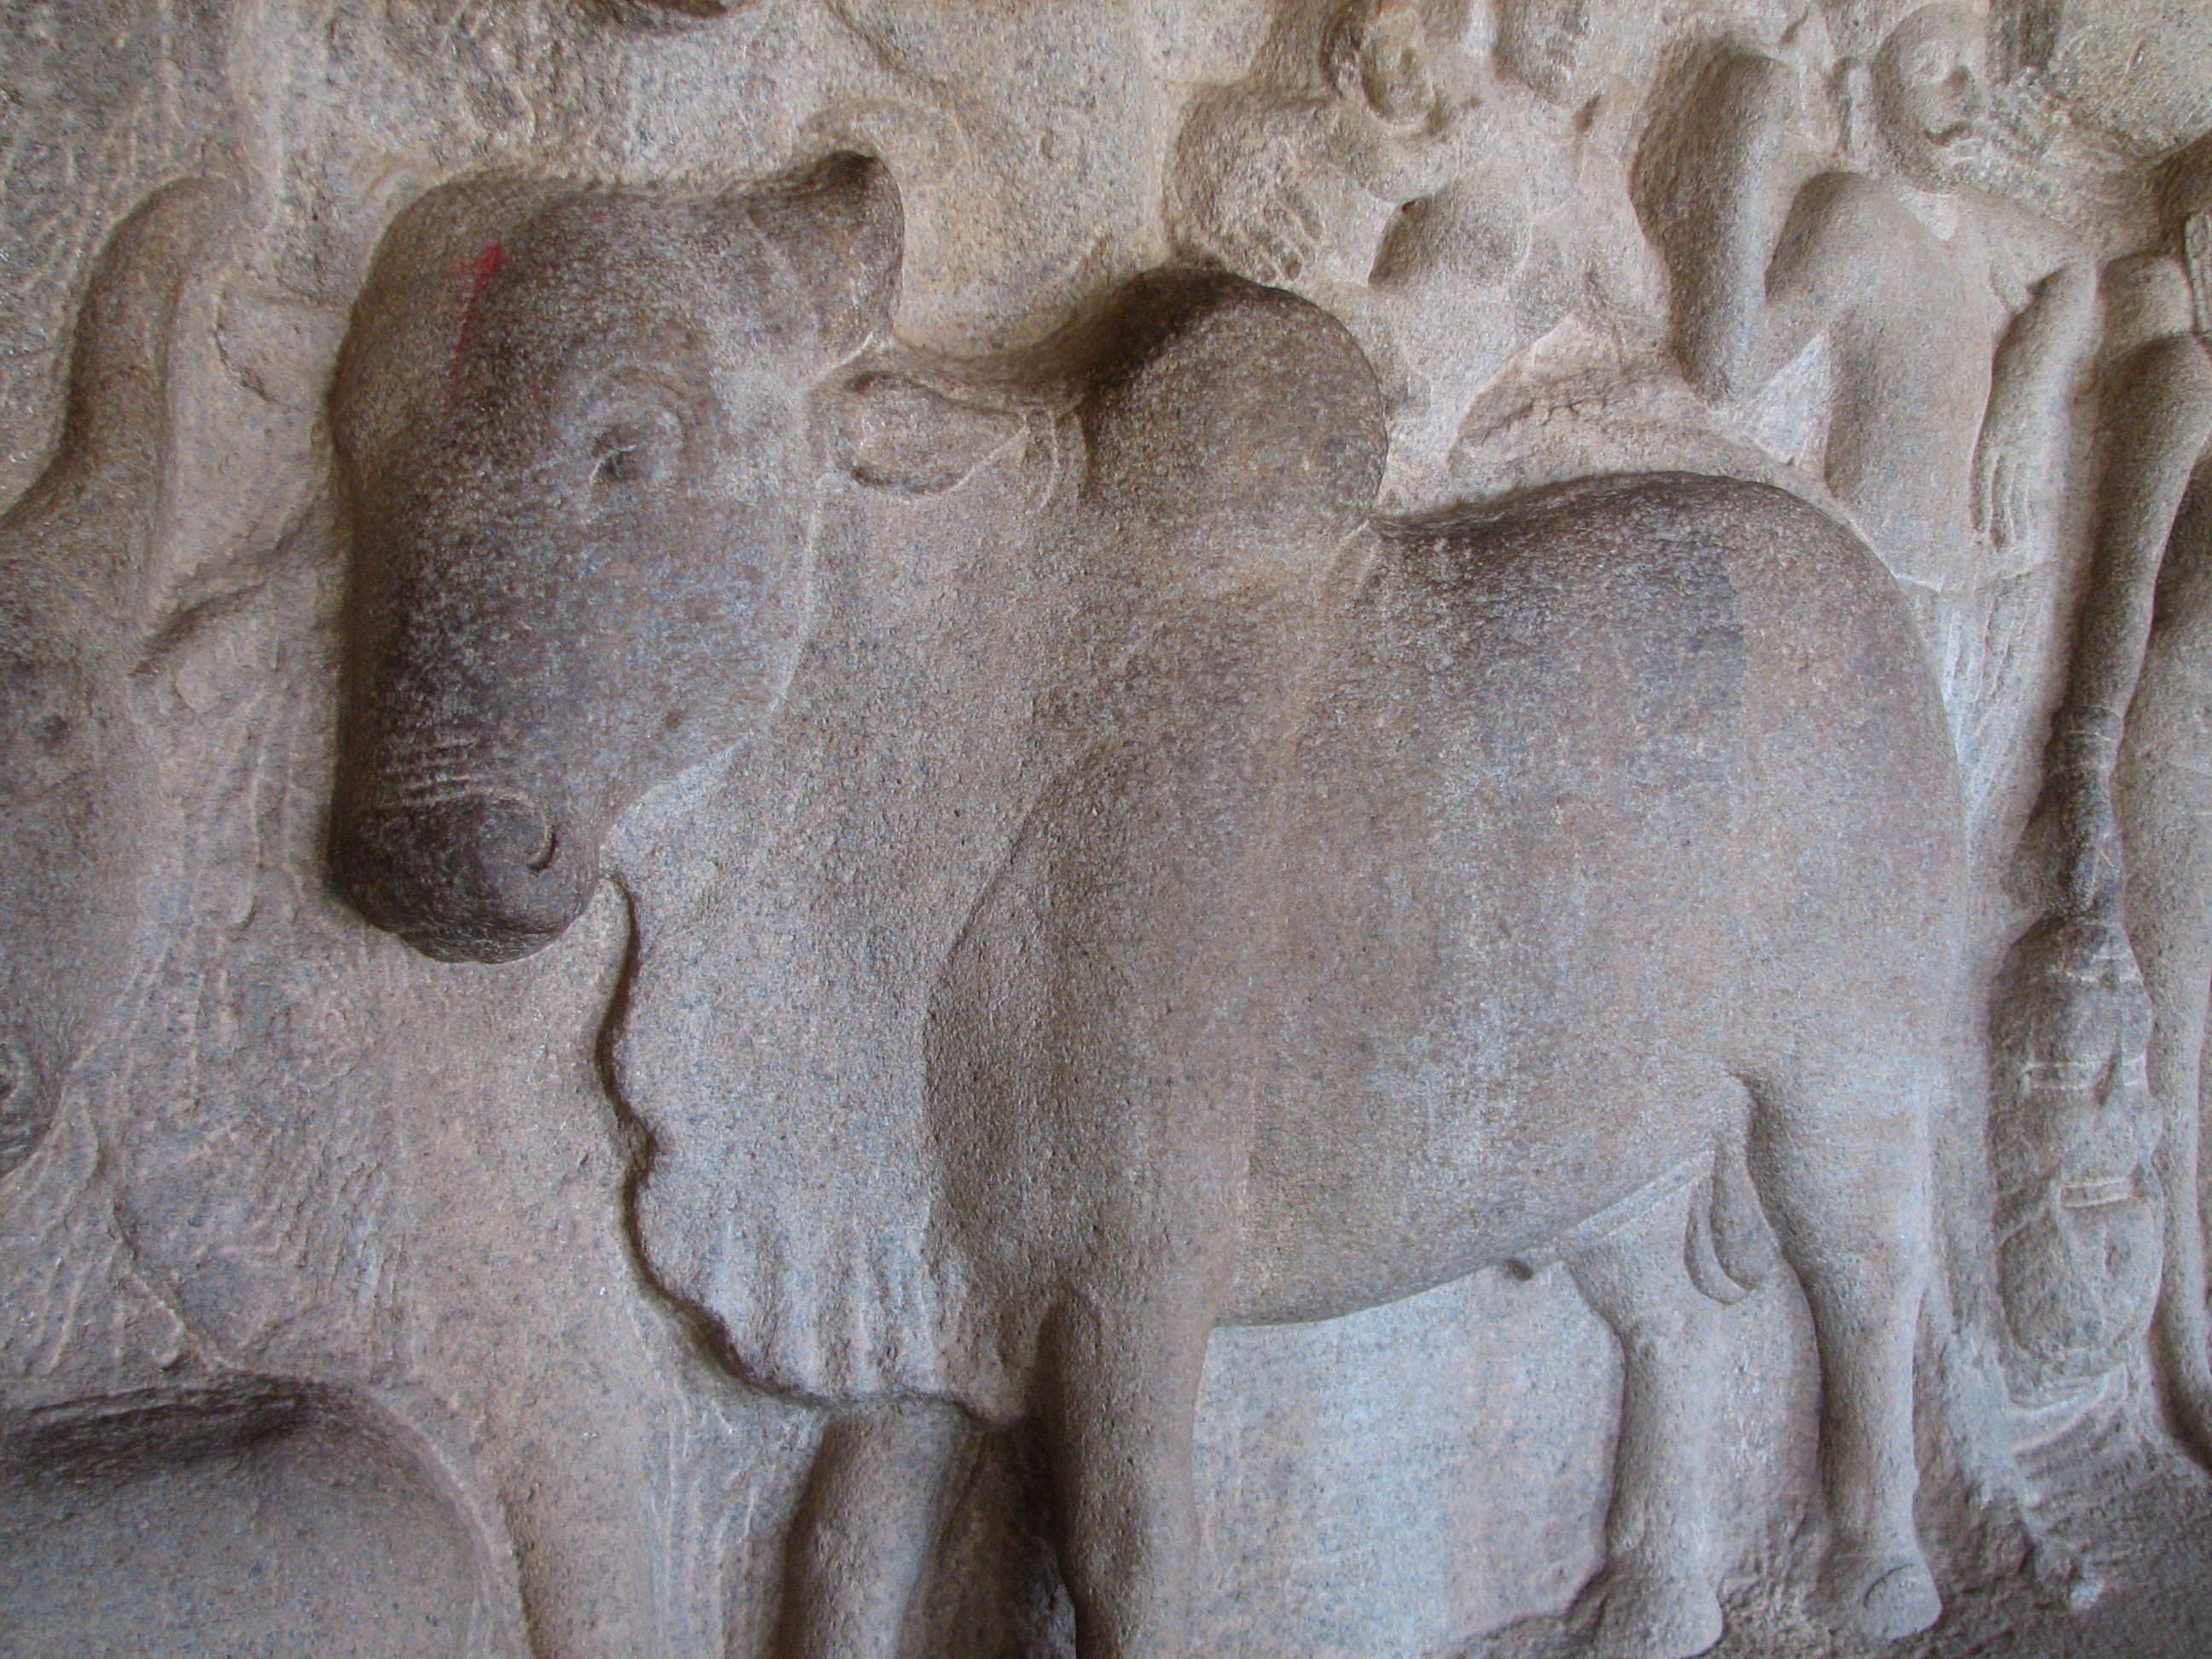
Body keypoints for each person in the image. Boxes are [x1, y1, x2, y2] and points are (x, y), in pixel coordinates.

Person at [1640, 1, 2095, 830]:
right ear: (1865, 85)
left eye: (1973, 72)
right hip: (1891, 589)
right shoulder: (1859, 219)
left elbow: (2074, 269)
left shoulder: (1987, 232)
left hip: (1994, 590)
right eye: (1931, 70)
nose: (1967, 95)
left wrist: (2024, 396)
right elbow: (1730, 368)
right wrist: (1737, 163)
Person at [2013, 136, 2212, 1454]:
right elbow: (2123, 589)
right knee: (2177, 1048)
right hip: (2186, 744)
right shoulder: (2184, 389)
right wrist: (2083, 758)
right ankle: (2185, 1333)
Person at [1167, 0, 1656, 503]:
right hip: (1322, 408)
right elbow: (1274, 108)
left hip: (1431, 475)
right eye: (1564, 3)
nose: (1578, 25)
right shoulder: (1437, 78)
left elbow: (1668, 334)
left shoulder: (1594, 180)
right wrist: (1223, 182)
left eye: (1608, 9)